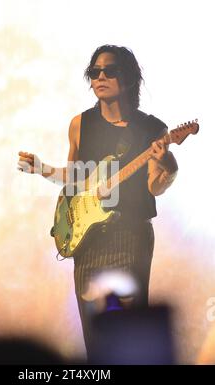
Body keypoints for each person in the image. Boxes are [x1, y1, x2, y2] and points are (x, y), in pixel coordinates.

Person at [17, 44, 178, 360]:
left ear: (129, 79)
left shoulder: (151, 129)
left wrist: (169, 168)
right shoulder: (80, 124)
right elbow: (76, 180)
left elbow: (155, 187)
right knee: (95, 331)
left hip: (129, 234)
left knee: (130, 329)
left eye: (110, 71)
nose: (100, 77)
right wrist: (42, 169)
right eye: (94, 72)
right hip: (87, 238)